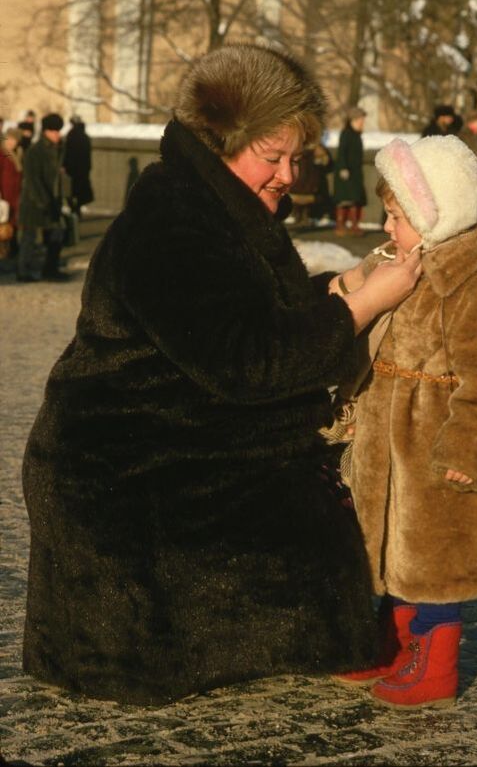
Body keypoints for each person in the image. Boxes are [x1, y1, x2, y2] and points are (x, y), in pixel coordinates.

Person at [22, 44, 421, 706]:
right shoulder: (172, 222)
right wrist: (360, 307)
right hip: (123, 474)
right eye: (273, 155)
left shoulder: (211, 205)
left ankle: (345, 630)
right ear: (223, 139)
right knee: (318, 510)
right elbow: (246, 360)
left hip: (170, 445)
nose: (289, 174)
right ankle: (356, 632)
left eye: (298, 158)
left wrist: (347, 284)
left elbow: (251, 318)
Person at [336, 135, 477, 709]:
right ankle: (395, 641)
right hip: (385, 445)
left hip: (437, 448)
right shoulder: (399, 263)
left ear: (435, 214)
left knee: (436, 559)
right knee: (393, 550)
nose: (388, 228)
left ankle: (436, 659)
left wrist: (470, 449)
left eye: (398, 216)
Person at [17, 112, 68, 282]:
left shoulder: (58, 148)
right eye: (54, 131)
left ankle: (50, 269)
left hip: (51, 200)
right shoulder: (35, 151)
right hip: (34, 202)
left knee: (57, 233)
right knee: (29, 237)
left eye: (58, 131)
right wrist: (43, 202)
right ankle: (23, 271)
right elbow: (33, 180)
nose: (57, 135)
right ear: (46, 131)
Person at [333, 105, 367, 236]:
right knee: (344, 200)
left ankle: (354, 225)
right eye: (360, 120)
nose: (362, 123)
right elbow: (341, 152)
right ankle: (340, 225)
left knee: (355, 200)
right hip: (346, 173)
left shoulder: (357, 135)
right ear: (353, 120)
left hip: (355, 173)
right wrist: (343, 168)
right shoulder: (346, 134)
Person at [288, 140, 333, 226]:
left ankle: (302, 217)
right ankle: (301, 217)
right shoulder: (312, 147)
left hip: (307, 178)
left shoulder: (310, 147)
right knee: (301, 198)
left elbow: (325, 161)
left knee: (304, 198)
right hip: (304, 178)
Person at [62, 115, 94, 217]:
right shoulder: (85, 136)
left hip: (72, 168)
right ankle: (77, 207)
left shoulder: (71, 135)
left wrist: (64, 165)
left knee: (70, 190)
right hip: (83, 168)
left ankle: (74, 208)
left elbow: (67, 152)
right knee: (81, 189)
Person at [0, 127, 23, 260]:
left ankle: (12, 250)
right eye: (11, 139)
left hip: (15, 195)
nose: (12, 142)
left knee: (13, 225)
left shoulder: (18, 153)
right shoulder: (3, 154)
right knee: (5, 225)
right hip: (6, 195)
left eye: (15, 140)